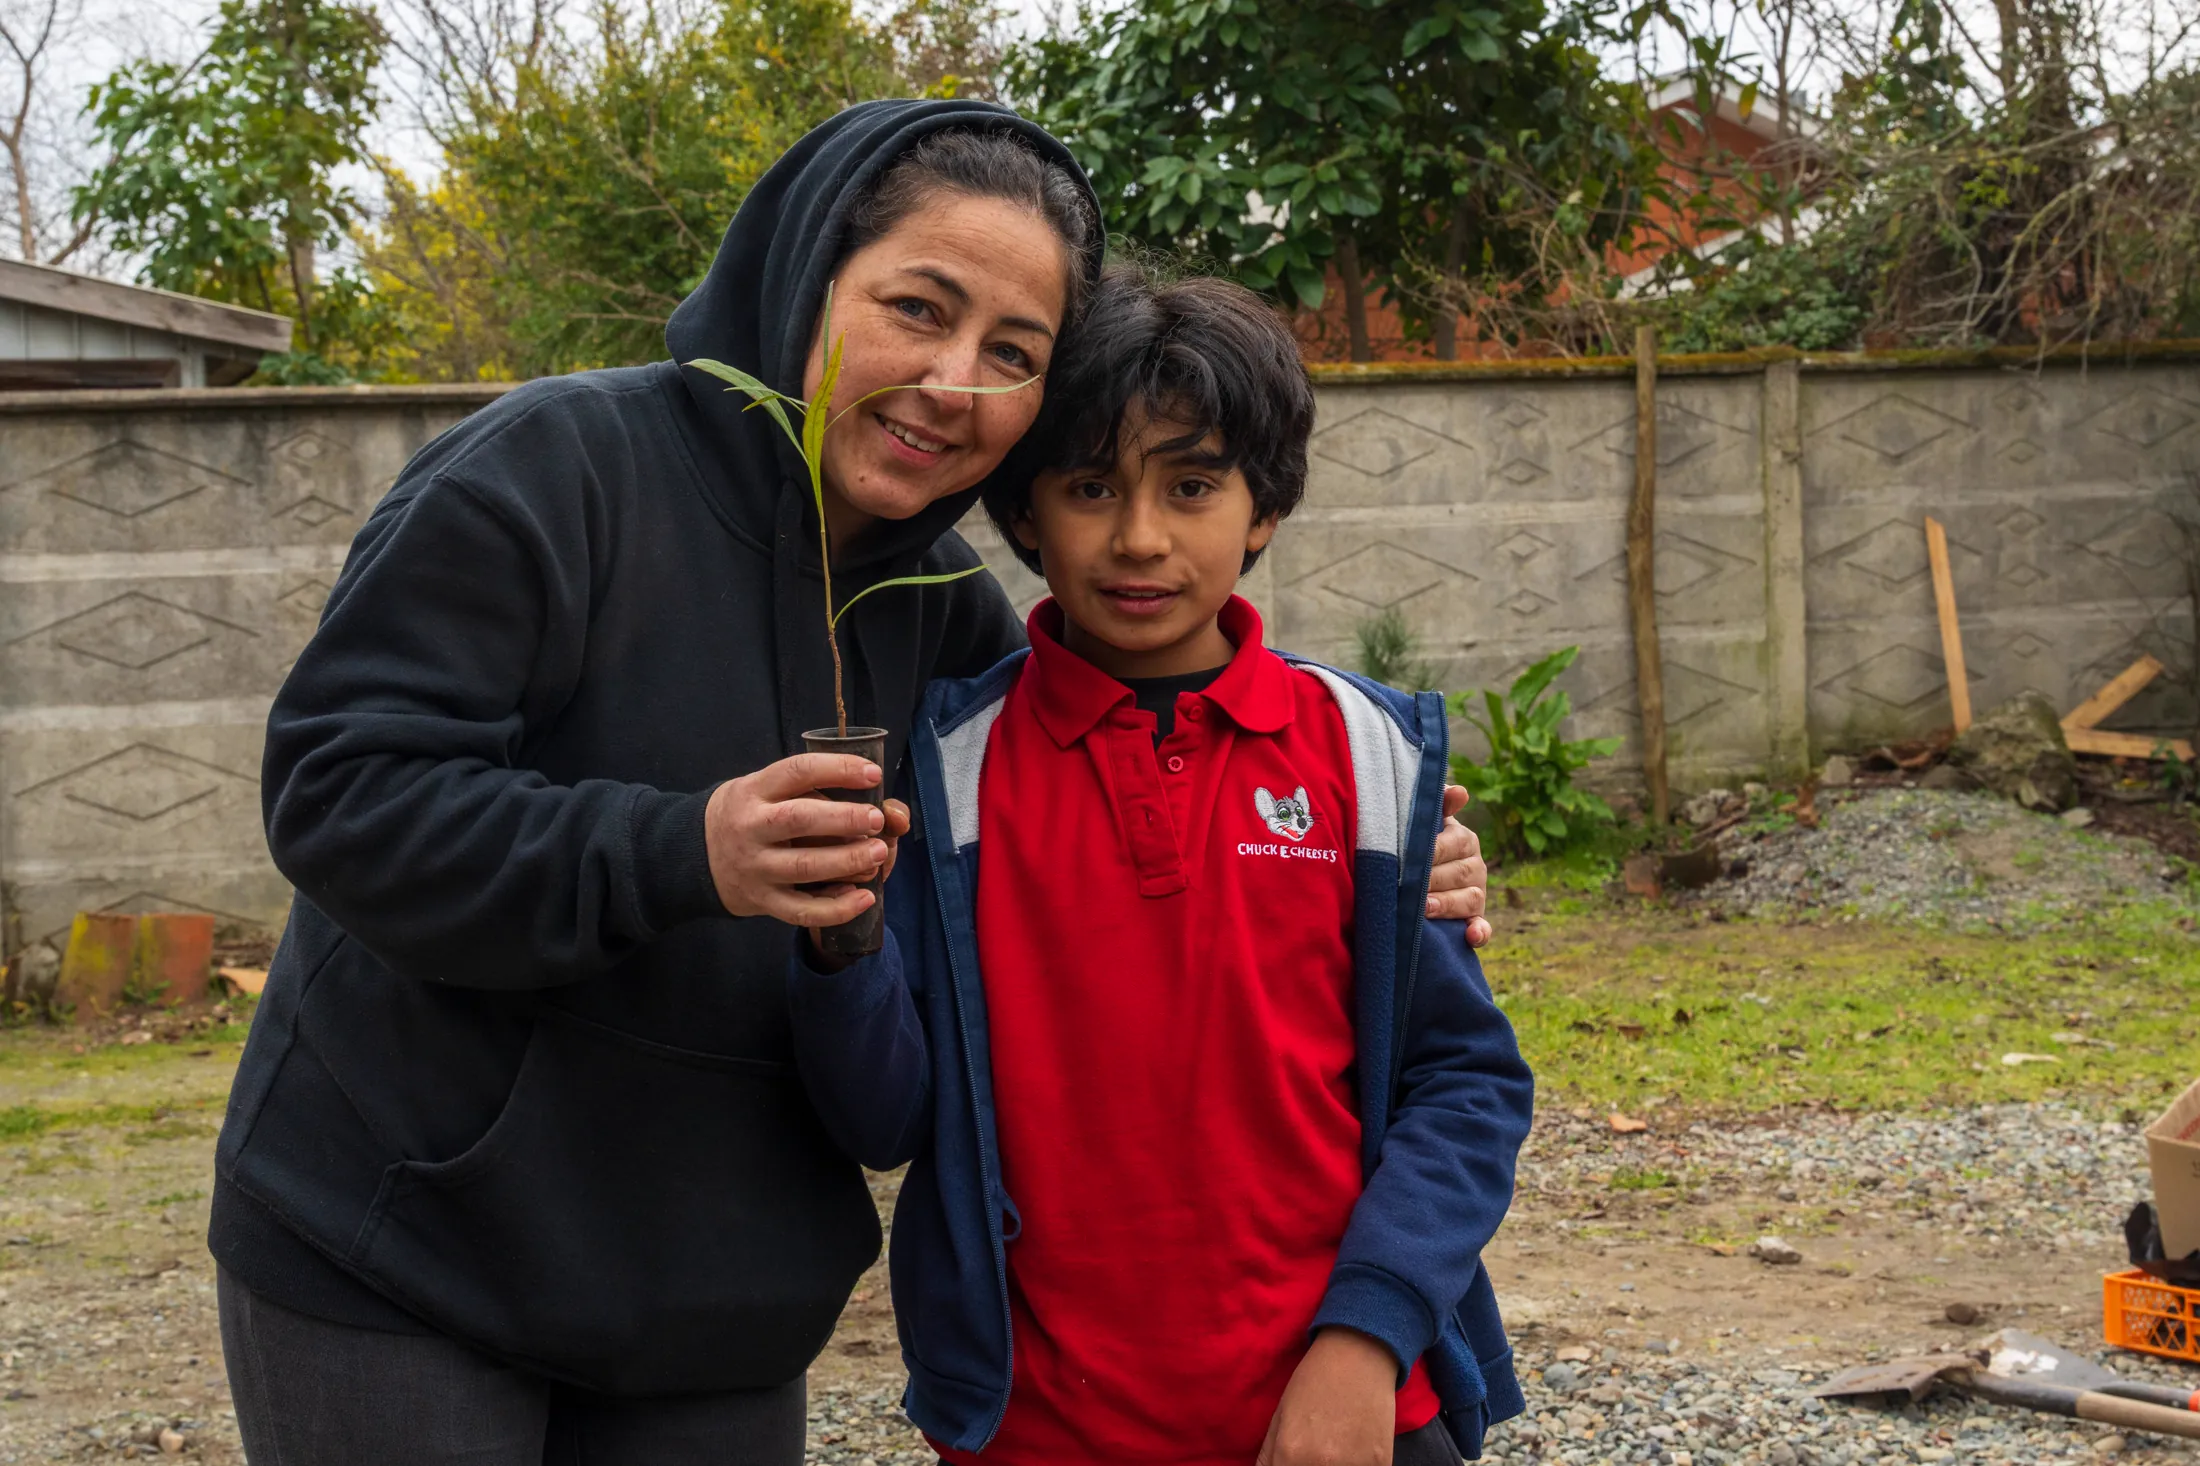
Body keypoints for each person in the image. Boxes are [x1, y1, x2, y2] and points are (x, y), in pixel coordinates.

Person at [210, 102, 1495, 1466]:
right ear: (808, 272)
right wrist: (681, 847)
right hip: (410, 1247)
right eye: (917, 307)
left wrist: (1393, 840)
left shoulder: (947, 614)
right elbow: (341, 791)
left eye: (1012, 353)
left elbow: (1115, 750)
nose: (952, 378)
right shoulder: (554, 472)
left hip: (715, 1289)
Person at [787, 264, 1535, 1466]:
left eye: (1192, 485)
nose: (1139, 537)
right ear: (1025, 511)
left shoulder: (1366, 755)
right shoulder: (945, 774)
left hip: (1340, 1416)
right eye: (1090, 487)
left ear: (1266, 507)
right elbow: (885, 1116)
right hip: (1042, 1426)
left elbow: (1468, 1085)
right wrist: (836, 942)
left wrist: (1366, 1340)